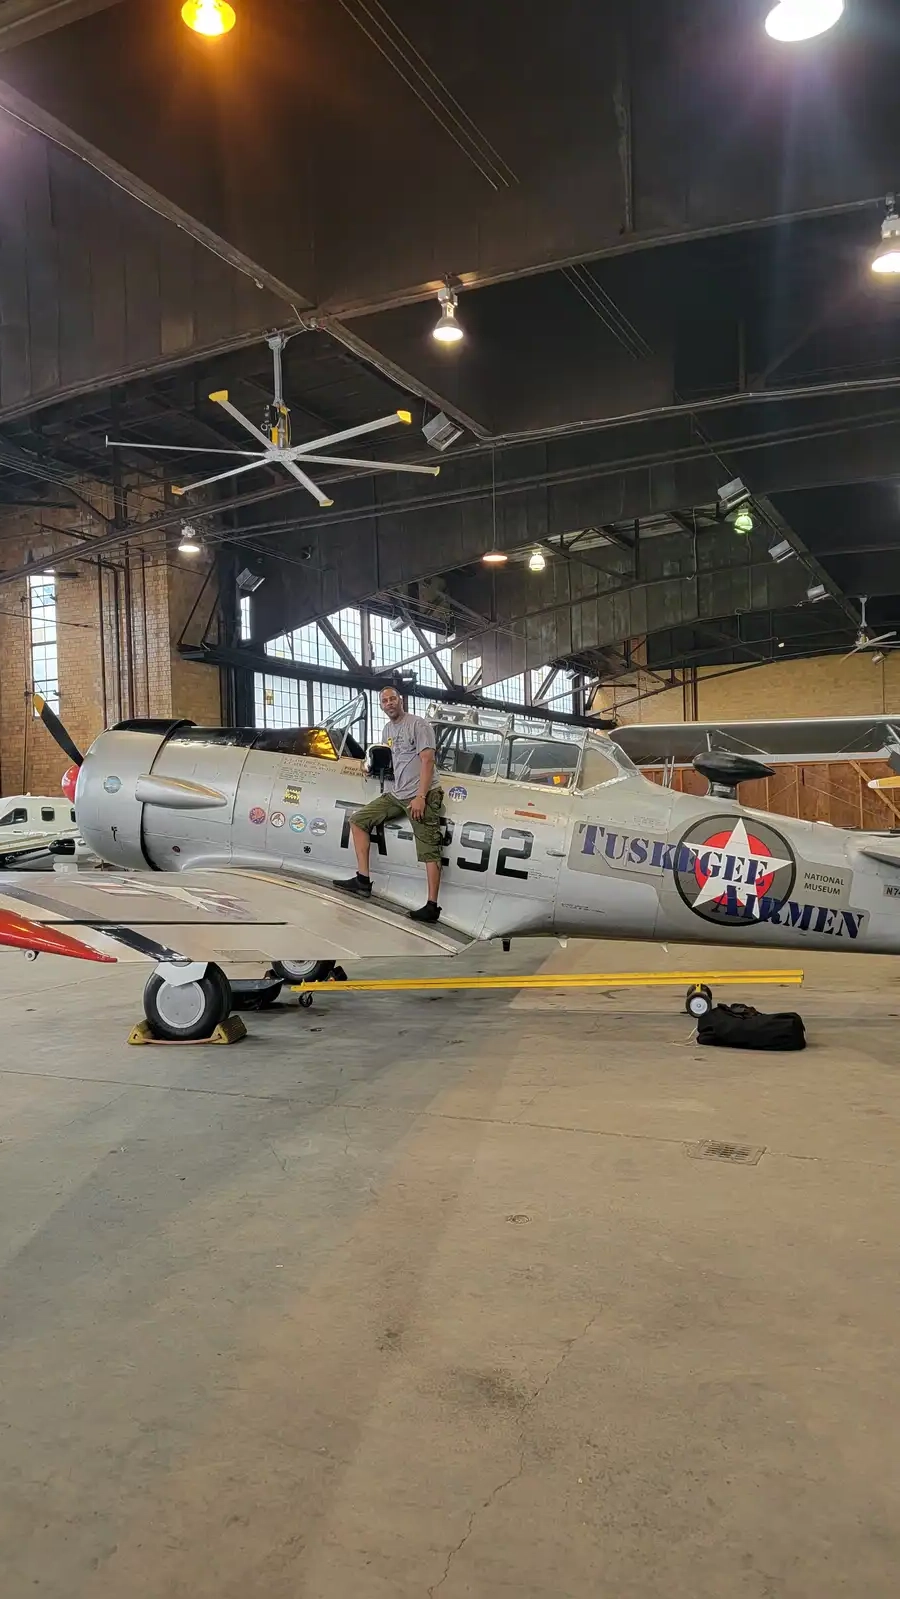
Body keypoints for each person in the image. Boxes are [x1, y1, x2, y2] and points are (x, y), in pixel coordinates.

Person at [333, 685, 444, 922]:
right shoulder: (387, 730)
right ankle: (363, 880)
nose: (389, 703)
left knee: (429, 850)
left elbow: (427, 761)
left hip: (422, 794)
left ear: (400, 700)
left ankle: (432, 906)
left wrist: (421, 797)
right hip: (398, 793)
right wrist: (370, 769)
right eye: (385, 701)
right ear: (381, 706)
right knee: (358, 820)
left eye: (393, 699)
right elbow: (397, 761)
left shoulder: (418, 724)